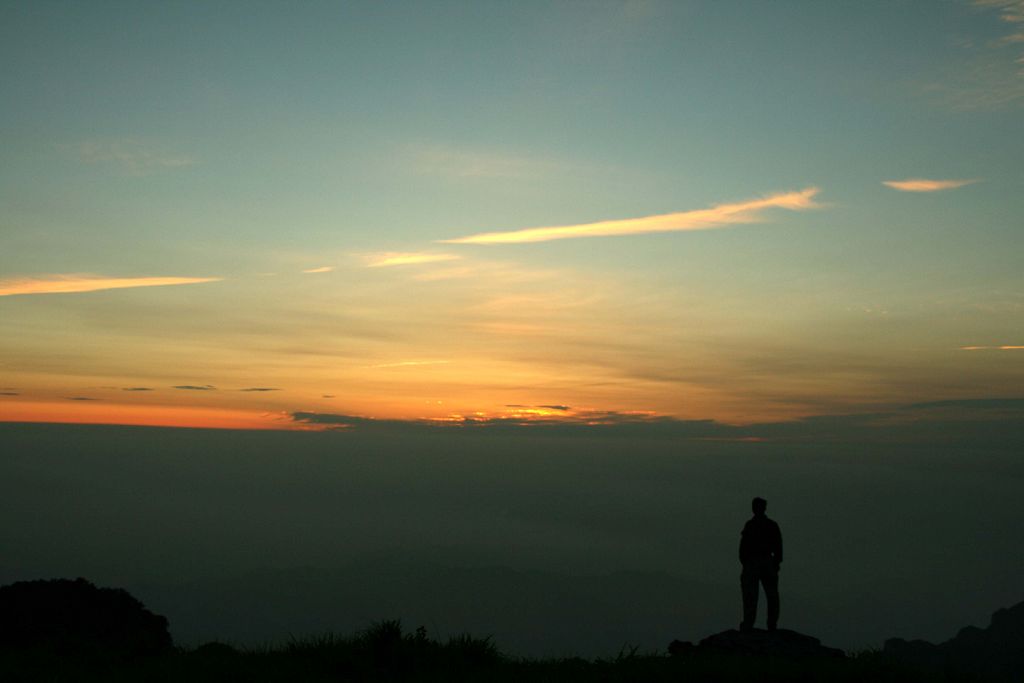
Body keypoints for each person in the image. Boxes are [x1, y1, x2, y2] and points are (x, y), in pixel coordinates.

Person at [739, 496, 782, 632]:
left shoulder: (752, 525)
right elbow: (779, 548)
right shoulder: (767, 525)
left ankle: (751, 623)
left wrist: (746, 563)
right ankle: (768, 624)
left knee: (755, 595)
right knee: (768, 595)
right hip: (761, 562)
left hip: (757, 562)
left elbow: (743, 547)